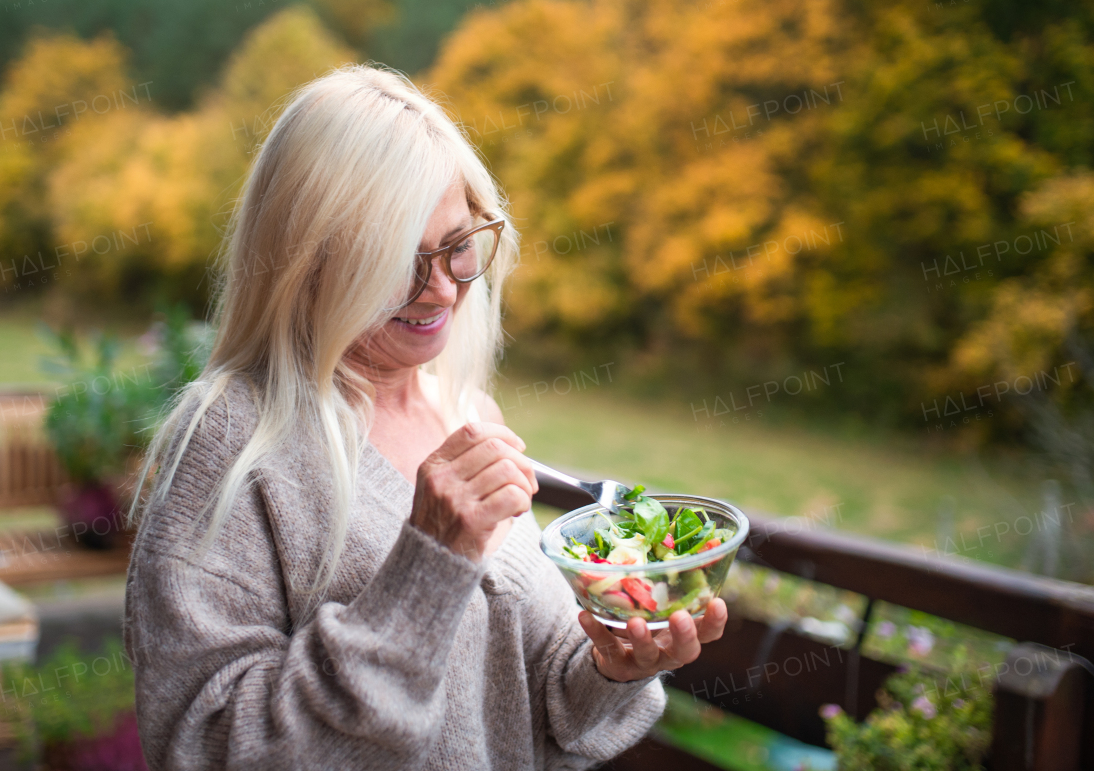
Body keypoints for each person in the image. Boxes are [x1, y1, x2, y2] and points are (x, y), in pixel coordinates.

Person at [124, 65, 728, 770]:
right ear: (303, 265)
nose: (440, 287)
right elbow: (210, 745)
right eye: (395, 261)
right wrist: (429, 562)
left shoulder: (464, 410)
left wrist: (613, 663)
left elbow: (519, 693)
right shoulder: (233, 444)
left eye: (457, 244)